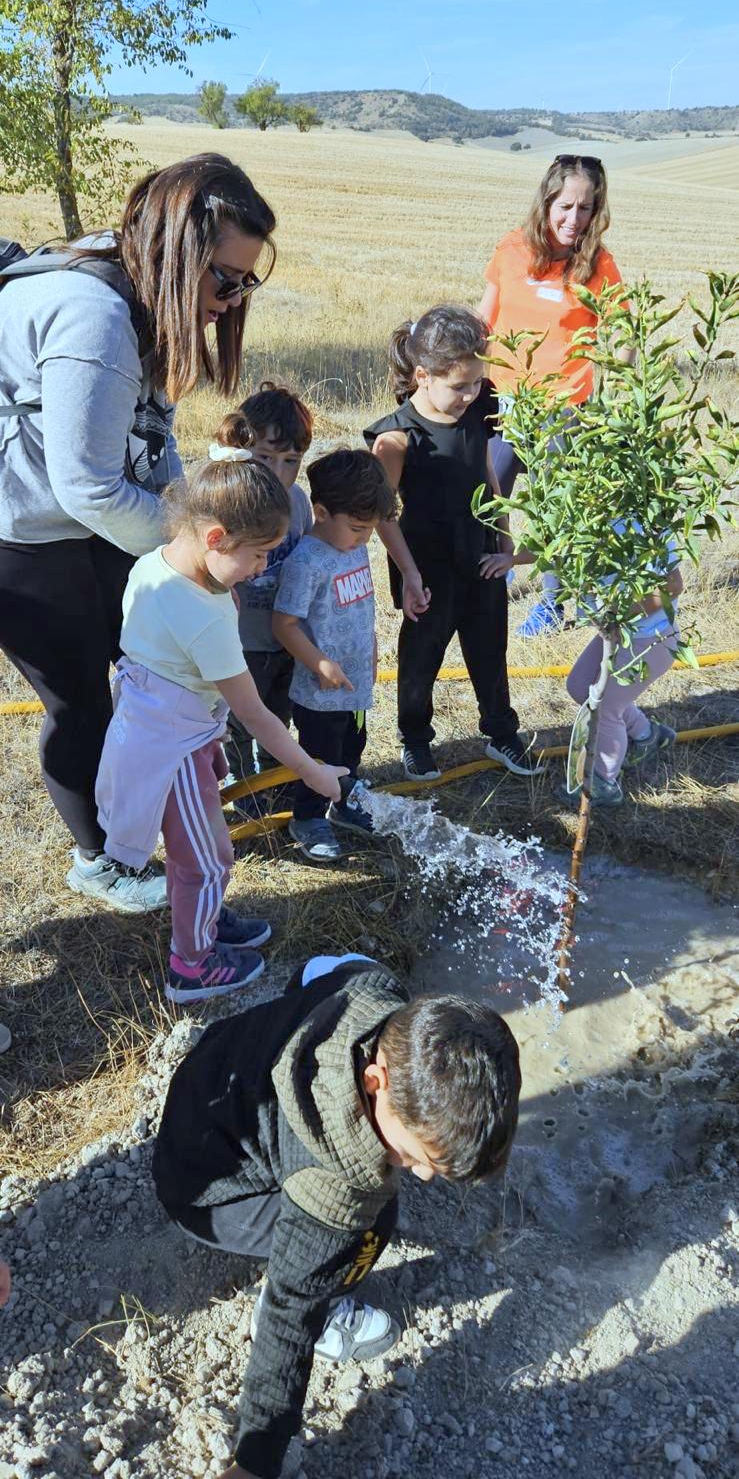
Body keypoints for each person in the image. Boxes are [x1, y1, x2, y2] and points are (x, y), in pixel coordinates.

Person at [0, 152, 276, 912]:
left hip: (80, 520)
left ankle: (148, 812)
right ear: (176, 252)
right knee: (79, 699)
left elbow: (152, 443)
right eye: (225, 279)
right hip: (22, 533)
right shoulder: (93, 317)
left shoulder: (146, 297)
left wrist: (193, 517)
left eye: (246, 282)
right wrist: (187, 552)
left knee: (146, 672)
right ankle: (103, 859)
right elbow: (88, 486)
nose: (232, 299)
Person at [151, 952, 521, 1479]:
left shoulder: (374, 993)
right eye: (416, 1155)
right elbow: (289, 1313)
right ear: (374, 1081)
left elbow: (325, 967)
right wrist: (255, 1463)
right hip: (204, 1194)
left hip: (208, 1078)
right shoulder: (335, 1183)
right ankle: (332, 1312)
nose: (422, 1175)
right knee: (373, 1224)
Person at [95, 456, 347, 1004]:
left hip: (156, 721)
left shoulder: (156, 565)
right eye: (258, 554)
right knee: (208, 861)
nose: (261, 568)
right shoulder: (204, 619)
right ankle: (191, 964)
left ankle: (201, 916)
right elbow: (256, 716)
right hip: (172, 749)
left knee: (194, 848)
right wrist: (312, 771)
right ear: (215, 538)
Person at [366, 305, 543, 784]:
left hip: (480, 556)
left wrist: (506, 542)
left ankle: (501, 731)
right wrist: (410, 575)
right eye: (460, 385)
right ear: (423, 376)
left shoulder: (478, 408)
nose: (471, 394)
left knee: (490, 650)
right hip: (427, 569)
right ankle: (415, 739)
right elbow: (383, 514)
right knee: (421, 658)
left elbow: (487, 474)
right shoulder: (397, 438)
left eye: (477, 383)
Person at [478, 154, 623, 637]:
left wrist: (620, 382)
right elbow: (484, 318)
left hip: (562, 409)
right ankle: (493, 574)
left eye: (585, 208)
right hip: (501, 400)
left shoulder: (598, 265)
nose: (574, 218)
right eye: (565, 206)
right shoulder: (511, 249)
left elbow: (623, 332)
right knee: (486, 496)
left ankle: (553, 604)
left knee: (554, 508)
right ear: (546, 202)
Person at [488, 523, 681, 807]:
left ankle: (602, 783)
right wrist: (512, 558)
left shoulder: (648, 523)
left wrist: (620, 615)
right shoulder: (591, 516)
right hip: (618, 632)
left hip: (651, 637)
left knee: (606, 707)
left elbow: (672, 585)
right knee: (580, 686)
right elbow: (553, 544)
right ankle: (646, 734)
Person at [272, 448, 396, 863]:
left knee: (353, 745)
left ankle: (344, 802)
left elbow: (363, 606)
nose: (365, 539)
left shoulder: (353, 546)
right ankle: (308, 817)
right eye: (358, 528)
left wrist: (372, 647)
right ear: (322, 513)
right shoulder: (306, 561)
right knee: (321, 754)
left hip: (355, 681)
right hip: (319, 691)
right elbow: (284, 624)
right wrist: (319, 663)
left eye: (370, 530)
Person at [208, 383, 314, 786]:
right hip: (239, 642)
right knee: (237, 719)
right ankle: (239, 784)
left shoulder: (298, 502)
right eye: (266, 457)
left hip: (284, 639)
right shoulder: (228, 504)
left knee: (277, 713)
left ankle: (273, 778)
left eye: (291, 460)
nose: (278, 472)